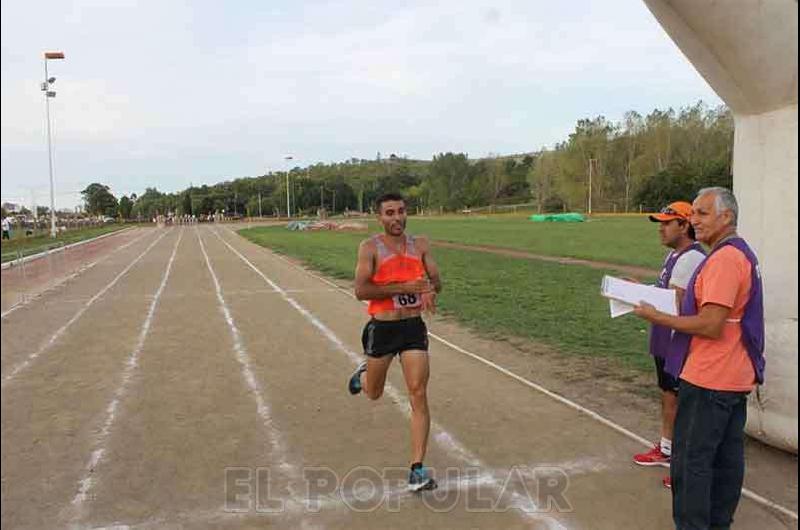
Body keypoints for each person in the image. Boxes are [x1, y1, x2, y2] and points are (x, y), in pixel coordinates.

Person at [634, 187, 765, 530]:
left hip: (711, 378)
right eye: (693, 213)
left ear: (727, 217)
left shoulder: (724, 260)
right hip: (732, 375)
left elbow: (711, 324)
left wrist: (657, 317)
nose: (694, 220)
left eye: (702, 213)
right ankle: (718, 523)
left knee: (691, 461)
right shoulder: (737, 254)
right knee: (725, 459)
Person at [348, 192, 442, 492]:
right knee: (374, 393)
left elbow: (436, 281)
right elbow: (361, 290)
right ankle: (363, 375)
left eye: (401, 211)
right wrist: (403, 286)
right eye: (389, 213)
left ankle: (417, 469)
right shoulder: (370, 247)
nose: (397, 218)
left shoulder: (421, 245)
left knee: (418, 393)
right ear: (380, 218)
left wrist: (429, 288)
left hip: (413, 328)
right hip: (383, 329)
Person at [633, 202, 705, 476]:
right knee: (668, 394)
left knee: (680, 399)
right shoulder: (676, 255)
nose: (661, 229)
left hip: (678, 339)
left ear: (684, 226)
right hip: (665, 336)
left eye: (667, 223)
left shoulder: (691, 258)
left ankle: (684, 464)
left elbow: (675, 301)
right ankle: (667, 449)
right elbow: (664, 292)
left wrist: (642, 300)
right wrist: (638, 290)